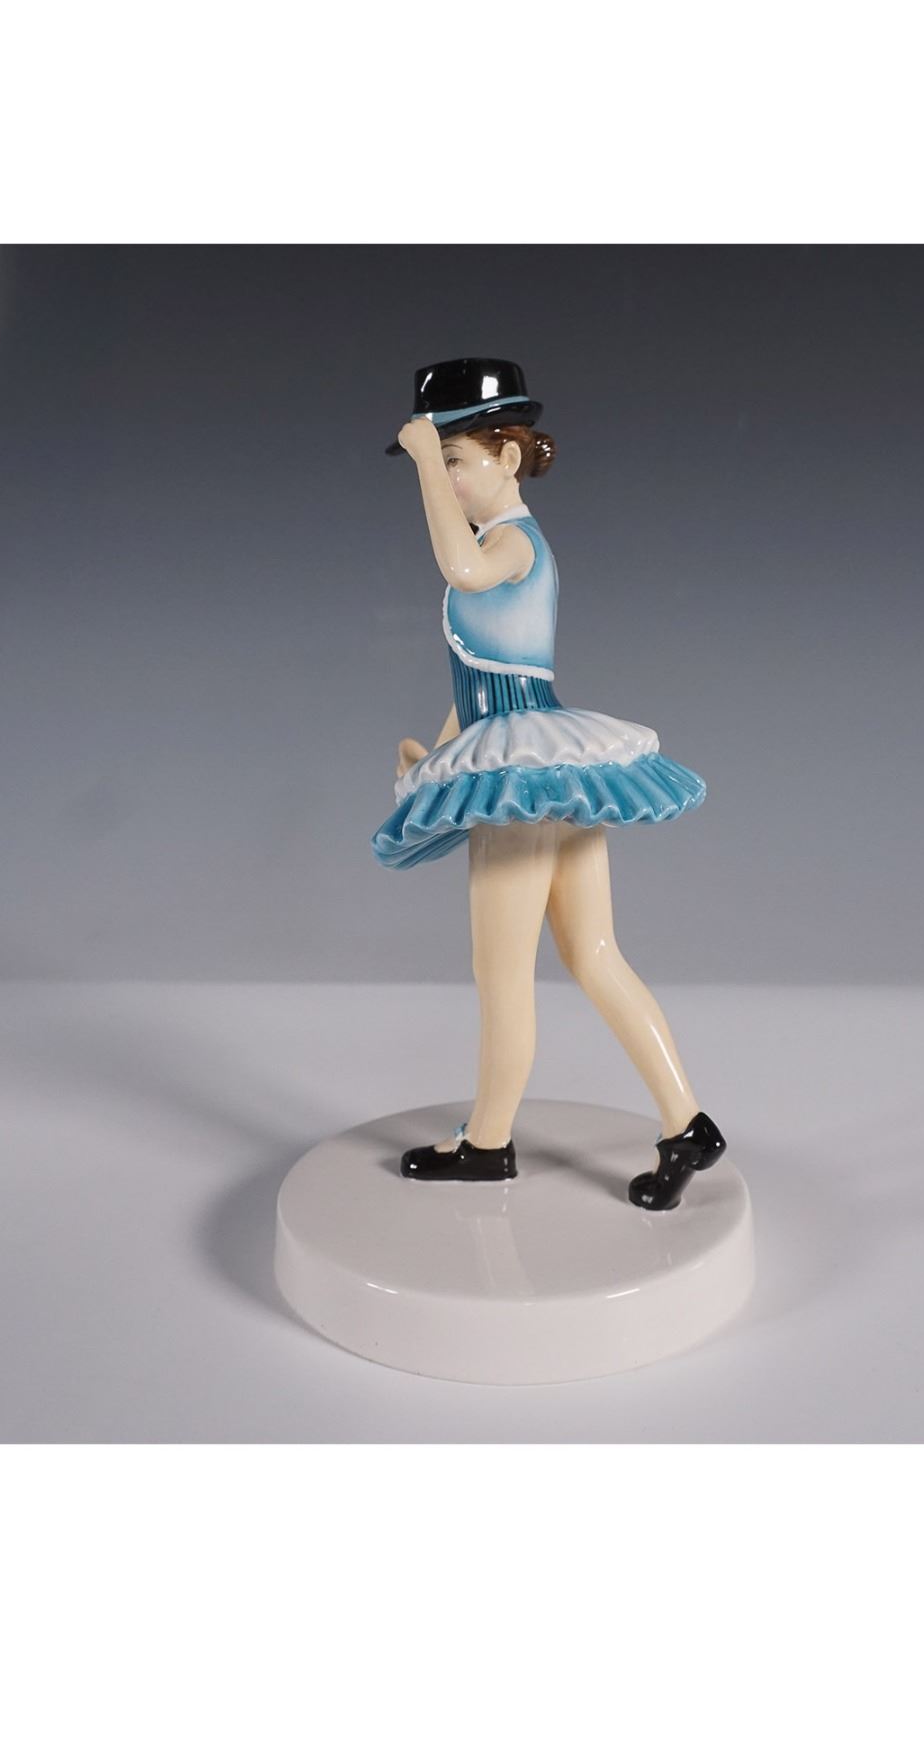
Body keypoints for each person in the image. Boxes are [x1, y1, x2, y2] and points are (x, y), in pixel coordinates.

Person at [371, 358, 727, 1210]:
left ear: (507, 456)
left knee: (505, 973)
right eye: (442, 464)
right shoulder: (506, 545)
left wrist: (419, 464)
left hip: (523, 780)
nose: (448, 478)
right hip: (529, 758)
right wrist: (436, 759)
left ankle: (488, 1143)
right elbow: (490, 680)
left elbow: (460, 572)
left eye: (456, 461)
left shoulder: (511, 544)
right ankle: (687, 1124)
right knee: (592, 953)